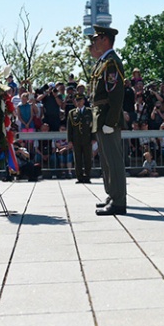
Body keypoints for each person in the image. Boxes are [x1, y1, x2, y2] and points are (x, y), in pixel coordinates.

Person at [89, 25, 127, 216]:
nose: (94, 42)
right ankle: (113, 195)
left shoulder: (111, 63)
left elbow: (116, 95)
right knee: (106, 161)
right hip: (101, 117)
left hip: (107, 119)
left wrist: (111, 122)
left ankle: (119, 201)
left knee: (113, 161)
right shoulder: (103, 62)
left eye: (96, 38)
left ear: (105, 40)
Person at [66, 93, 95, 184]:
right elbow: (69, 128)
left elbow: (93, 126)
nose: (79, 102)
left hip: (87, 139)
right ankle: (79, 177)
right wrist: (69, 140)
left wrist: (94, 138)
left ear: (83, 101)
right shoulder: (72, 113)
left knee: (87, 159)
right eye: (77, 101)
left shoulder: (89, 111)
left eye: (80, 100)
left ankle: (87, 176)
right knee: (77, 159)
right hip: (76, 139)